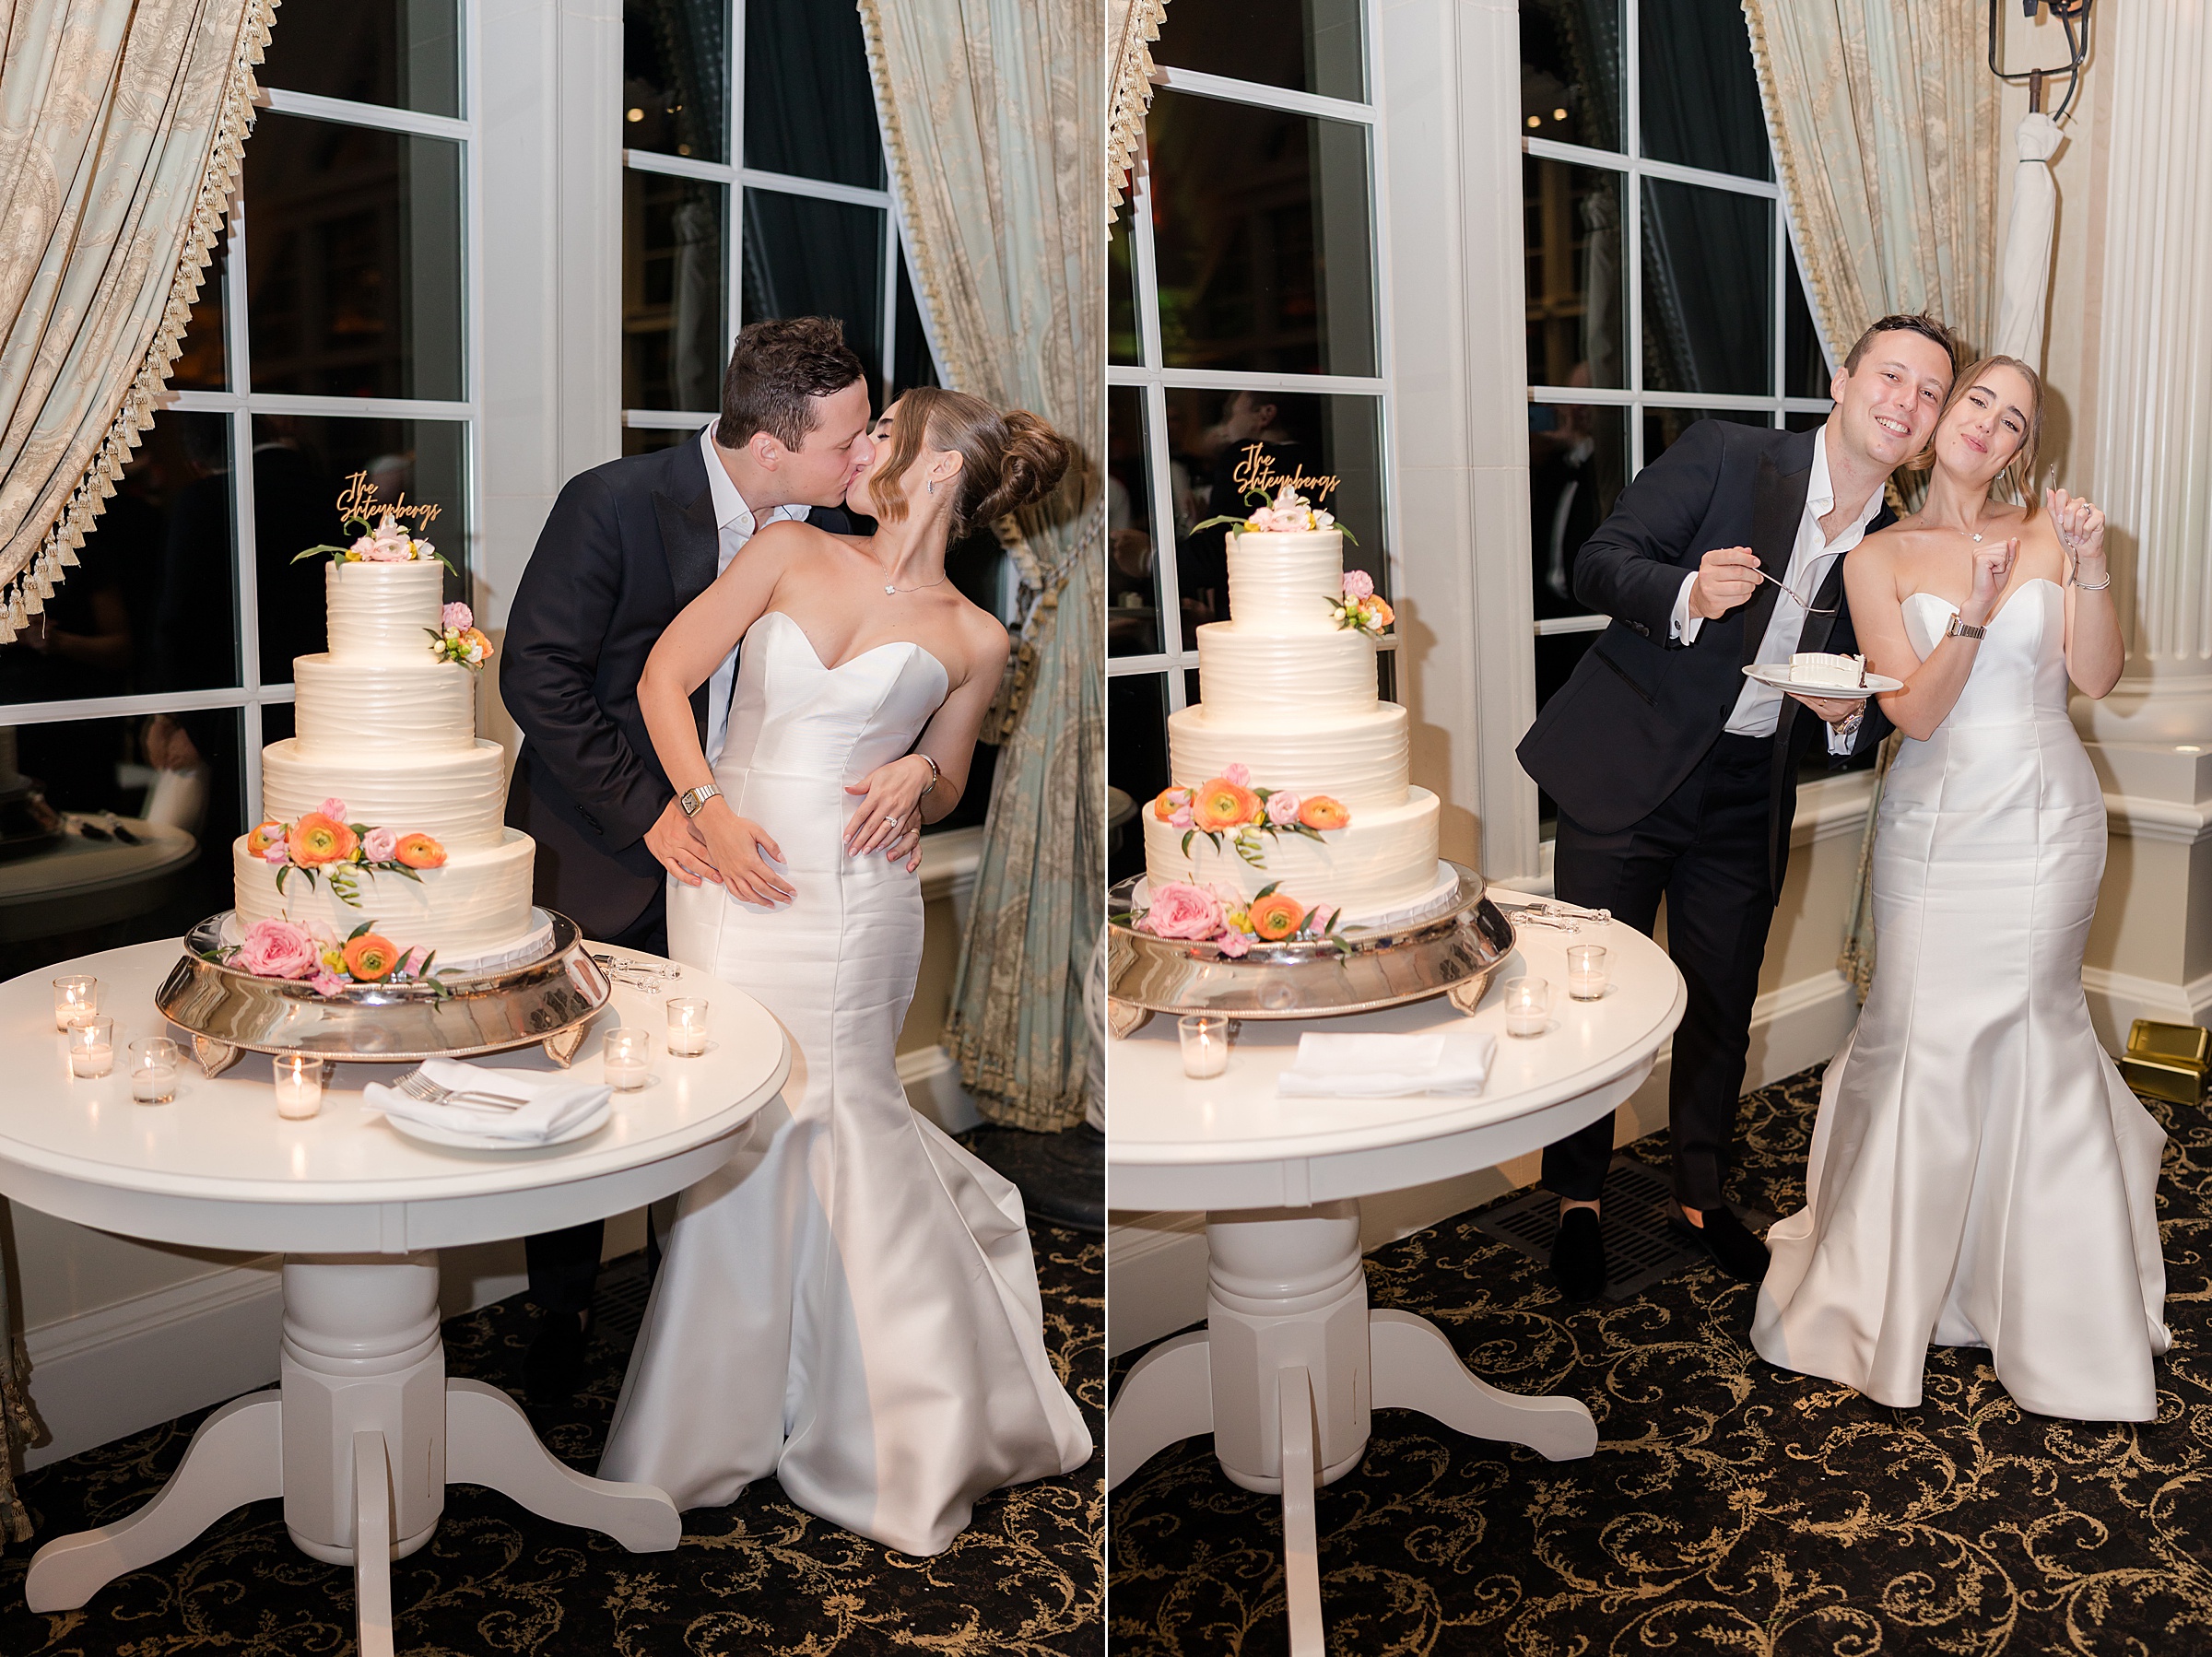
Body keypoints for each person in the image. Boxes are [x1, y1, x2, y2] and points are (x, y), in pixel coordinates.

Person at [598, 386, 1093, 1556]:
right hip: (731, 883)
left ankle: (887, 1420)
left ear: (934, 473)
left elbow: (954, 772)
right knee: (741, 1122)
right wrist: (705, 812)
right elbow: (663, 682)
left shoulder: (976, 635)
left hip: (860, 905)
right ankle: (711, 1417)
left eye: (884, 436)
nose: (857, 449)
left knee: (845, 1113)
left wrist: (922, 778)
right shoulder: (786, 551)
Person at [1754, 357, 2166, 1419]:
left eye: (2013, 417)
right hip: (1935, 827)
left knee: (2034, 1022)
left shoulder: (2048, 532)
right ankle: (1897, 1279)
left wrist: (2092, 566)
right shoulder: (1880, 557)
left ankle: (2046, 1288)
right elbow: (1916, 716)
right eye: (1975, 400)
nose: (1989, 423)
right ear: (1939, 420)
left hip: (2046, 818)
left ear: (2024, 446)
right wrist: (1975, 612)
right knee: (1922, 1029)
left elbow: (2096, 677)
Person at [1515, 314, 1959, 1299]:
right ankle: (1578, 1200)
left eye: (1928, 393)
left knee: (1720, 1002)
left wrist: (1849, 721)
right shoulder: (1727, 455)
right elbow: (1598, 560)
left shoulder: (1896, 545)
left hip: (1747, 789)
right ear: (1843, 384)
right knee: (1593, 995)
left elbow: (1876, 708)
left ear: (1930, 429)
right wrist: (1685, 591)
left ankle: (1699, 1196)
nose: (1906, 402)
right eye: (1891, 376)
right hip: (1630, 769)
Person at [499, 317, 897, 1407]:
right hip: (611, 843)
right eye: (845, 441)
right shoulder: (613, 502)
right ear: (769, 445)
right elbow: (537, 678)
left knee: (715, 1081)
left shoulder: (827, 528)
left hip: (755, 862)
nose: (862, 457)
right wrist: (658, 816)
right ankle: (563, 1313)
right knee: (580, 1078)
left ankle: (702, 1306)